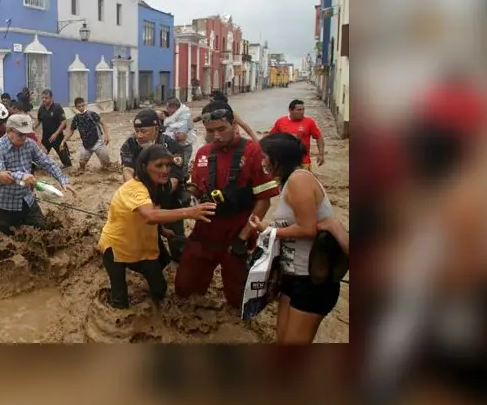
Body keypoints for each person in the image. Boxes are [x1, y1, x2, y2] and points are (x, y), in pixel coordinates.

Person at [178, 101, 280, 307]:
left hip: (238, 231)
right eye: (210, 131)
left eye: (221, 129)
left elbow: (264, 200)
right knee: (184, 289)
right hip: (205, 229)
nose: (216, 136)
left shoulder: (254, 152)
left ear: (235, 125)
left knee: (238, 298)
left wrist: (243, 237)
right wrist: (184, 197)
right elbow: (196, 188)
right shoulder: (203, 153)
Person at [247, 132, 340, 344]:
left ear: (277, 158)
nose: (262, 162)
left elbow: (307, 229)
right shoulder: (290, 182)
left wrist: (271, 232)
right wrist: (265, 227)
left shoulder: (299, 180)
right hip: (294, 276)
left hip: (312, 280)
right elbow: (295, 225)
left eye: (264, 156)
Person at [99, 145, 217, 309]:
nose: (165, 170)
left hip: (142, 247)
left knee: (160, 290)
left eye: (168, 165)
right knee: (120, 299)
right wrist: (190, 212)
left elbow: (154, 213)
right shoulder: (134, 188)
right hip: (116, 248)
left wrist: (162, 230)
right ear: (143, 167)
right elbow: (150, 215)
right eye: (159, 165)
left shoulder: (159, 187)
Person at [119, 109, 189, 262]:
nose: (139, 135)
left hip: (169, 196)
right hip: (143, 197)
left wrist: (155, 198)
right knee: (149, 239)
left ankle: (180, 260)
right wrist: (135, 192)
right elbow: (127, 170)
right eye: (136, 131)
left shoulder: (173, 148)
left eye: (143, 131)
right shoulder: (130, 144)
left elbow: (174, 180)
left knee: (177, 241)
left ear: (156, 129)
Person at [0, 114, 75, 234]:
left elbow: (46, 162)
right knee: (4, 239)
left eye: (26, 134)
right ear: (9, 131)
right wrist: (22, 176)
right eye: (20, 134)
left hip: (26, 199)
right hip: (3, 203)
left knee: (42, 232)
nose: (24, 138)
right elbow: (1, 174)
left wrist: (62, 180)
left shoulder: (30, 144)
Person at [269, 99, 325, 169]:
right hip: (284, 161)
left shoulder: (309, 122)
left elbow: (319, 137)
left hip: (303, 161)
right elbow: (271, 138)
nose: (302, 112)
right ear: (290, 110)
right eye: (299, 110)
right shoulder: (280, 122)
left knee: (303, 179)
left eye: (303, 110)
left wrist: (321, 154)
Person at [61, 97, 111, 170]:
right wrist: (63, 141)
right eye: (79, 106)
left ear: (84, 105)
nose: (81, 108)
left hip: (97, 142)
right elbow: (71, 131)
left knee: (107, 165)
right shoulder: (76, 118)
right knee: (81, 164)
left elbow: (103, 123)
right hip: (86, 145)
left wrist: (106, 135)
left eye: (82, 105)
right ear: (76, 107)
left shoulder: (92, 114)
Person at [192, 90, 260, 143]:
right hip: (212, 141)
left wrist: (256, 140)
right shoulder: (209, 112)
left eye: (211, 100)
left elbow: (244, 126)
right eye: (209, 101)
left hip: (230, 140)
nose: (210, 103)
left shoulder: (228, 113)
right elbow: (194, 120)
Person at [37, 89, 72, 168]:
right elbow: (39, 120)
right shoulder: (41, 108)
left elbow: (63, 122)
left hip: (57, 137)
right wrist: (32, 126)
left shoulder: (57, 107)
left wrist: (56, 134)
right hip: (46, 137)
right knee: (39, 159)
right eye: (42, 98)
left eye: (46, 98)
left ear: (51, 98)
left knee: (67, 163)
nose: (44, 100)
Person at [161, 97, 194, 175]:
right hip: (174, 148)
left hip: (184, 148)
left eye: (168, 107)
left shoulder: (184, 119)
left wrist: (168, 134)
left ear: (173, 107)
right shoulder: (176, 115)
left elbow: (181, 137)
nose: (167, 110)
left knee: (181, 170)